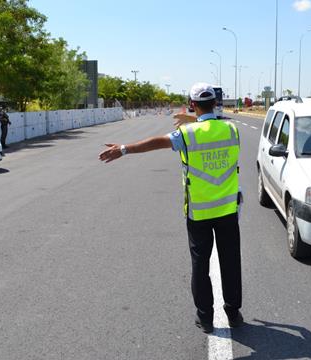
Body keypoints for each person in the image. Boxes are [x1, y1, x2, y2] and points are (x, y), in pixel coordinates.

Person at [99, 83, 244, 334]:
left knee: (201, 265)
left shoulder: (188, 134)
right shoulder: (231, 130)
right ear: (216, 104)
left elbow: (156, 142)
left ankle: (206, 318)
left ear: (192, 105)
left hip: (199, 211)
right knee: (230, 262)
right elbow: (216, 122)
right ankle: (233, 313)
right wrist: (196, 118)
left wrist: (124, 149)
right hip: (228, 210)